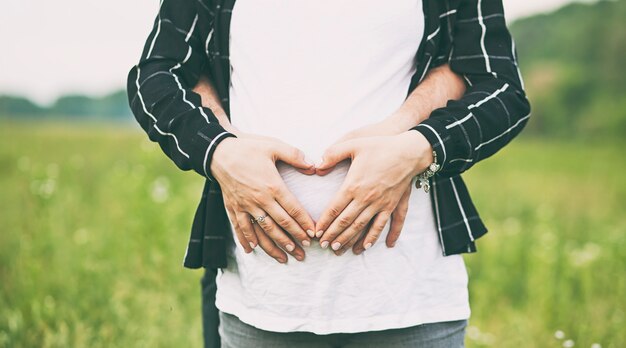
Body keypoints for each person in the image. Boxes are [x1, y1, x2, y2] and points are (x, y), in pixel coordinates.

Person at [127, 0, 530, 347]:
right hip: (258, 301)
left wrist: (416, 147)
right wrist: (220, 151)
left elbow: (500, 87)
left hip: (411, 302)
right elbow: (157, 75)